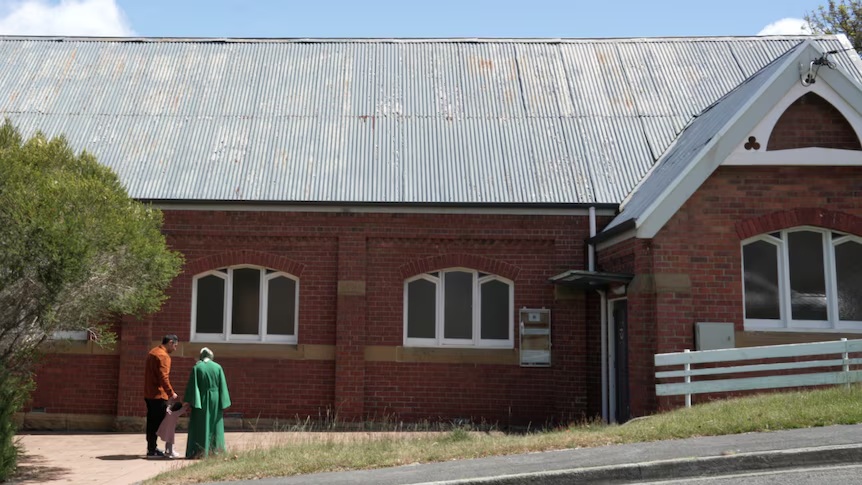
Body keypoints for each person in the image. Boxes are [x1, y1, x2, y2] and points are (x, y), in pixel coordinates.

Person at [184, 347, 232, 459]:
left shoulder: (197, 367)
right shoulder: (218, 367)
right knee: (215, 423)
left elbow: (193, 385)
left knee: (200, 423)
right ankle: (216, 450)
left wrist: (189, 400)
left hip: (201, 398)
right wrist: (224, 401)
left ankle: (200, 450)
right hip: (215, 397)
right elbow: (222, 385)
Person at [144, 334, 179, 459]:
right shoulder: (163, 356)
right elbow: (164, 377)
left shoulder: (153, 352)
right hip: (158, 395)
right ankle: (153, 450)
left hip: (149, 393)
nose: (175, 349)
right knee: (160, 423)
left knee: (151, 422)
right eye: (175, 345)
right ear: (170, 342)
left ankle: (151, 447)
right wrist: (171, 393)